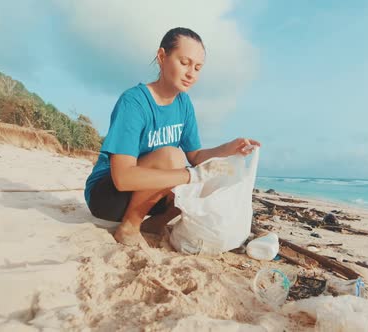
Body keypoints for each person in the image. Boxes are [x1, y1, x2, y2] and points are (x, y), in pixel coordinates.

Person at [84, 27, 261, 247]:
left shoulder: (184, 104)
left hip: (148, 196)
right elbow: (122, 178)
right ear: (162, 57)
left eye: (197, 67)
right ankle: (129, 226)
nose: (191, 74)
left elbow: (196, 156)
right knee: (172, 157)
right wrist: (188, 175)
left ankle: (156, 222)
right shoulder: (134, 102)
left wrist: (227, 149)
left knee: (216, 172)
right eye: (184, 62)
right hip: (108, 197)